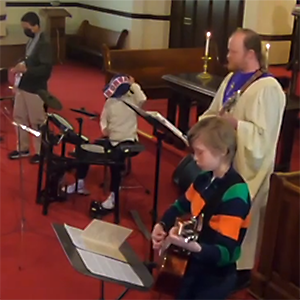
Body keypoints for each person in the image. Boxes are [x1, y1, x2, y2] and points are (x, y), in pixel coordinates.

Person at [198, 28, 286, 290]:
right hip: (225, 162)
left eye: (232, 51)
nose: (227, 55)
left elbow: (263, 137)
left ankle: (239, 271)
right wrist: (203, 130)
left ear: (250, 53)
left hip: (249, 168)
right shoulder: (232, 79)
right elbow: (214, 112)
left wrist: (236, 124)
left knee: (239, 220)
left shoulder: (269, 88)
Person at [152, 116, 251, 300]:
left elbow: (225, 252)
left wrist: (191, 247)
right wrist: (162, 225)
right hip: (194, 264)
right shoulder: (205, 178)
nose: (194, 159)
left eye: (200, 152)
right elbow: (180, 205)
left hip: (215, 277)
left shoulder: (235, 193)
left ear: (222, 151)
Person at [64, 74, 147, 215]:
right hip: (111, 139)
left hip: (127, 140)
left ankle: (113, 197)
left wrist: (133, 84)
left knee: (116, 162)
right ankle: (80, 182)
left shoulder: (133, 100)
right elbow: (103, 121)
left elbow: (143, 98)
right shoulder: (109, 103)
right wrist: (105, 130)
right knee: (86, 149)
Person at [8, 12, 52, 164]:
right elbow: (29, 59)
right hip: (24, 85)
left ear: (35, 26)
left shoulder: (44, 43)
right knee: (19, 117)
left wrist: (27, 70)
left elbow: (46, 69)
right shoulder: (32, 40)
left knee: (37, 121)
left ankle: (41, 152)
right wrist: (21, 65)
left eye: (26, 28)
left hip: (36, 88)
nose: (25, 31)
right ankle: (23, 148)